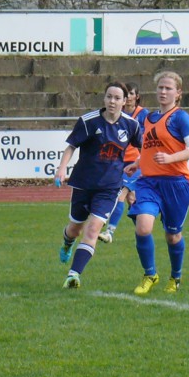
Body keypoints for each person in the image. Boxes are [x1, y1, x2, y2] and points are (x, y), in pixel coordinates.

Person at [55, 82, 143, 289]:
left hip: (110, 187)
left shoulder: (131, 125)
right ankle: (67, 243)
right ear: (104, 98)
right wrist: (61, 168)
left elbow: (145, 148)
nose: (112, 101)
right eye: (109, 97)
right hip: (83, 184)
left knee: (93, 229)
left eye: (117, 98)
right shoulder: (89, 121)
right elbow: (71, 146)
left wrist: (138, 164)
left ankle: (73, 275)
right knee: (74, 229)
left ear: (125, 101)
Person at [130, 71, 189, 295]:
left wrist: (171, 158)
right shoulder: (148, 118)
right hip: (149, 182)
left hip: (176, 183)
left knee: (172, 236)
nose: (163, 91)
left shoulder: (180, 118)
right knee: (143, 227)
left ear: (178, 93)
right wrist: (137, 163)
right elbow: (149, 148)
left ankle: (175, 276)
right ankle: (150, 274)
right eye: (160, 87)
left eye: (168, 88)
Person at [99, 82, 148, 244]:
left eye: (132, 94)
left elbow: (149, 135)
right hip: (118, 161)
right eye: (127, 94)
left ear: (136, 97)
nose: (129, 97)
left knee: (120, 194)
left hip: (135, 163)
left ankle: (109, 232)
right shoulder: (117, 114)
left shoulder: (143, 115)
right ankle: (143, 232)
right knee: (131, 199)